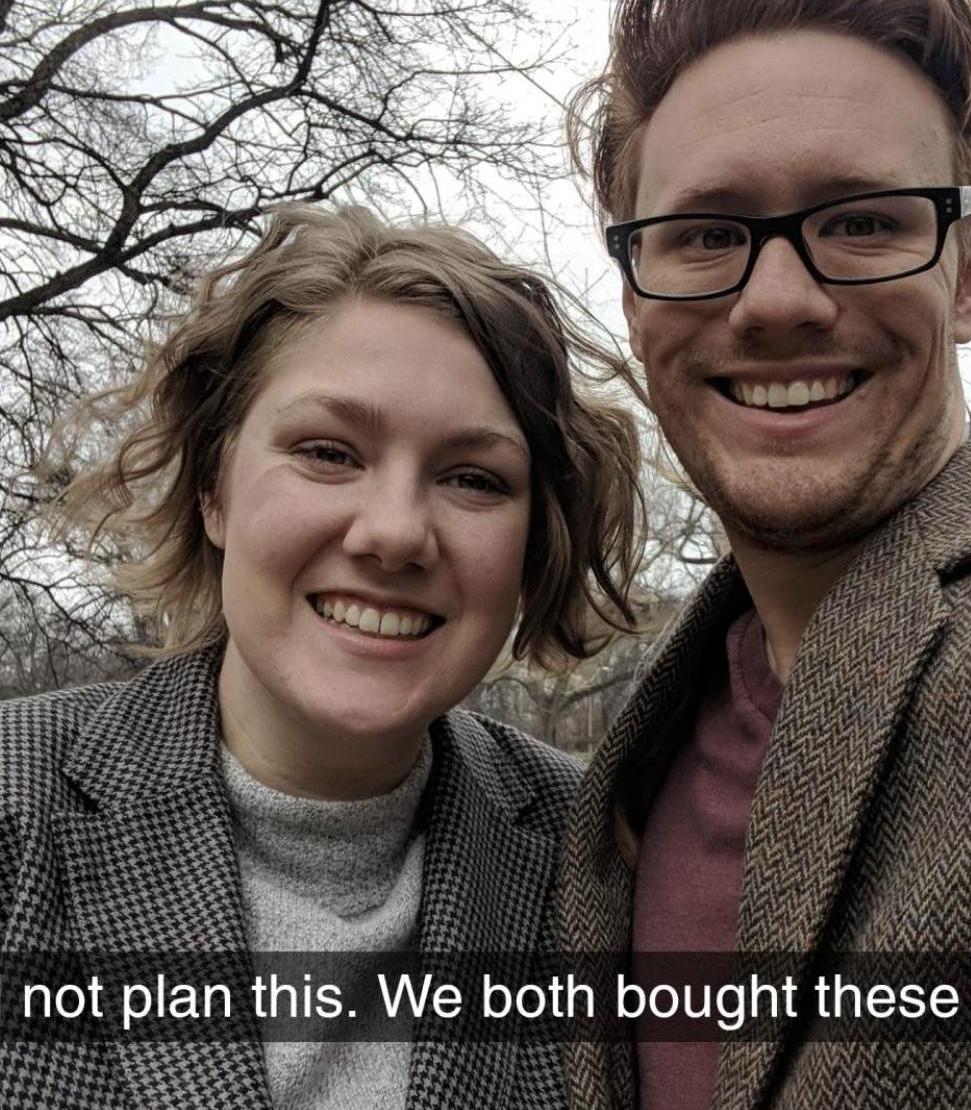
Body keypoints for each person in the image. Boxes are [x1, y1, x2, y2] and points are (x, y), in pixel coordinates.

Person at [557, 1, 971, 1107]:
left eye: (861, 222)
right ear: (633, 300)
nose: (776, 303)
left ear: (970, 272)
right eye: (706, 235)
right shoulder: (622, 783)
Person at [0, 204, 643, 1109]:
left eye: (473, 478)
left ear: (535, 542)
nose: (393, 534)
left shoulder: (602, 865)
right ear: (215, 488)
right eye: (328, 452)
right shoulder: (16, 807)